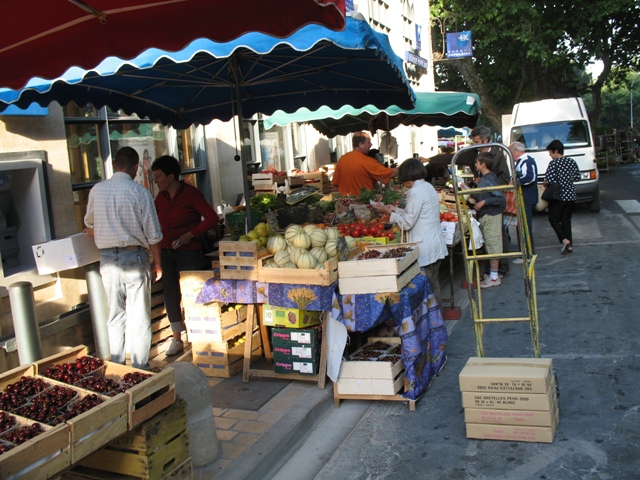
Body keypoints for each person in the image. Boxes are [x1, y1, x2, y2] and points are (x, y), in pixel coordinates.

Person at [84, 147, 163, 370]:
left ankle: (117, 366)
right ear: (136, 167)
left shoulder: (97, 190)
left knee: (115, 315)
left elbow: (89, 226)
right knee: (139, 317)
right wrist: (157, 263)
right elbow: (153, 234)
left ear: (114, 165)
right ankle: (140, 368)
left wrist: (107, 234)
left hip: (107, 259)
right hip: (134, 257)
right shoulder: (140, 192)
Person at [152, 155, 219, 356]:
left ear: (171, 176)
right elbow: (153, 221)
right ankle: (177, 338)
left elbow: (212, 217)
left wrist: (191, 234)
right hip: (166, 252)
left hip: (188, 253)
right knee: (171, 295)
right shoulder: (160, 198)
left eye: (158, 177)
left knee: (193, 293)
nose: (156, 181)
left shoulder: (191, 194)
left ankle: (199, 335)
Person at [373, 158, 448, 310]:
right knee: (434, 285)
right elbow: (416, 214)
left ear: (407, 178)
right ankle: (438, 316)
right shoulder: (427, 186)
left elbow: (407, 223)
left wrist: (390, 213)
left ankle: (431, 318)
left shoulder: (415, 192)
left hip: (424, 247)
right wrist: (395, 210)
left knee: (425, 288)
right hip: (435, 243)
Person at [471, 152, 506, 288]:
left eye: (477, 162)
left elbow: (500, 198)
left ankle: (494, 277)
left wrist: (483, 202)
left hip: (491, 216)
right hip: (487, 216)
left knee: (493, 246)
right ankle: (492, 275)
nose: (475, 164)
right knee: (490, 245)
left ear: (483, 164)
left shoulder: (489, 179)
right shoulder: (485, 179)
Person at [332, 131, 398, 196]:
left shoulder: (342, 159)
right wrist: (402, 168)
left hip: (344, 201)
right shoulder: (368, 161)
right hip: (363, 201)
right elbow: (390, 173)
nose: (371, 144)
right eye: (368, 142)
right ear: (360, 145)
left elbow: (335, 186)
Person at [544, 140, 580, 254]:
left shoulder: (554, 163)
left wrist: (544, 184)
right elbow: (577, 177)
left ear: (556, 151)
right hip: (571, 195)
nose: (550, 155)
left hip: (558, 196)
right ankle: (570, 245)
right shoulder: (572, 161)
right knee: (566, 221)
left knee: (553, 219)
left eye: (550, 153)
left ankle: (564, 240)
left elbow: (549, 180)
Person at [508, 141, 538, 262]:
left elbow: (529, 177)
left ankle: (528, 254)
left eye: (511, 153)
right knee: (522, 227)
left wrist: (515, 182)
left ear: (516, 152)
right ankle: (525, 252)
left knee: (525, 227)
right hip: (523, 198)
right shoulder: (522, 162)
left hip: (526, 198)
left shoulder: (527, 161)